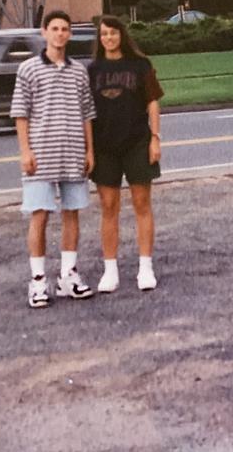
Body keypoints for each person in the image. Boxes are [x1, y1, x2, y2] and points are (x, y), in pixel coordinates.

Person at [10, 10, 97, 308]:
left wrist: (89, 150)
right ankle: (37, 281)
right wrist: (26, 151)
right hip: (41, 155)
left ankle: (68, 275)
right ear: (44, 32)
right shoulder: (29, 69)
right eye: (55, 28)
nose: (60, 34)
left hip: (72, 153)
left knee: (72, 213)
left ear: (70, 34)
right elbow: (21, 113)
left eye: (65, 29)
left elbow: (87, 113)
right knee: (40, 214)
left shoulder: (78, 71)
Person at [87, 15, 164, 292]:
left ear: (122, 35)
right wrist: (88, 150)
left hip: (136, 142)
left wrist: (155, 138)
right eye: (104, 34)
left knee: (142, 203)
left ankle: (145, 267)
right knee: (108, 207)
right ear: (100, 38)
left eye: (113, 33)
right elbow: (86, 113)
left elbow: (152, 103)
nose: (108, 37)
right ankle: (110, 271)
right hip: (104, 146)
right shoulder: (92, 70)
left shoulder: (140, 65)